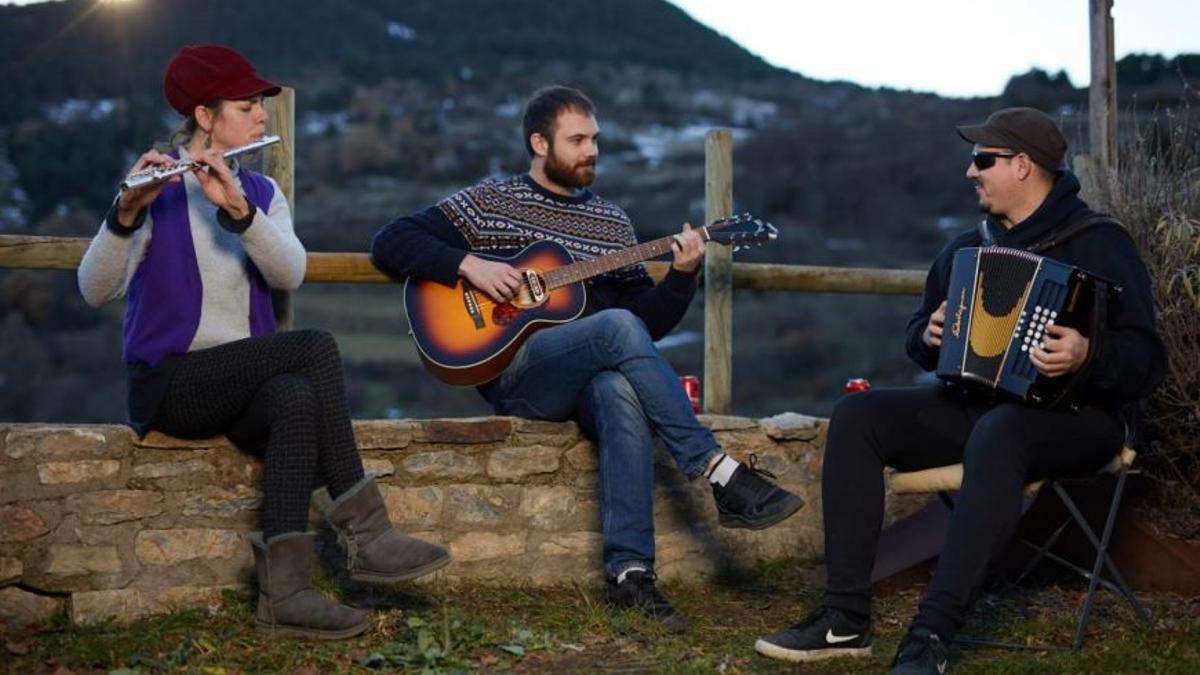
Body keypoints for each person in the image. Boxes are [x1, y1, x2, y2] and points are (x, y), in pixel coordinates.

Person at [371, 85, 803, 633]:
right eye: (577, 140)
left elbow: (644, 329)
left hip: (583, 379)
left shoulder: (611, 225)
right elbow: (391, 239)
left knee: (620, 390)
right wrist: (469, 266)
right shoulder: (492, 201)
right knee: (615, 328)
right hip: (516, 374)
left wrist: (682, 275)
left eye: (594, 139)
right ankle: (718, 471)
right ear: (539, 142)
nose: (590, 150)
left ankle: (630, 576)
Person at [754, 108, 1166, 673]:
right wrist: (928, 336)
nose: (970, 172)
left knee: (1003, 430)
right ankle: (844, 619)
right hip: (983, 410)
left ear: (1024, 166)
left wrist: (1088, 354)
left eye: (982, 160)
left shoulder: (1099, 243)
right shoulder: (966, 250)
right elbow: (921, 339)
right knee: (858, 415)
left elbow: (1147, 361)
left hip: (1081, 417)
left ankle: (932, 635)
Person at [77, 44, 450, 640]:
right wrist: (123, 213)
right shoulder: (154, 187)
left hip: (238, 380)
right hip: (173, 382)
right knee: (315, 345)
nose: (261, 117)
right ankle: (369, 535)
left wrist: (241, 212)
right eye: (248, 106)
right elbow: (94, 289)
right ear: (205, 115)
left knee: (296, 398)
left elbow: (290, 272)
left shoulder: (262, 192)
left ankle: (285, 596)